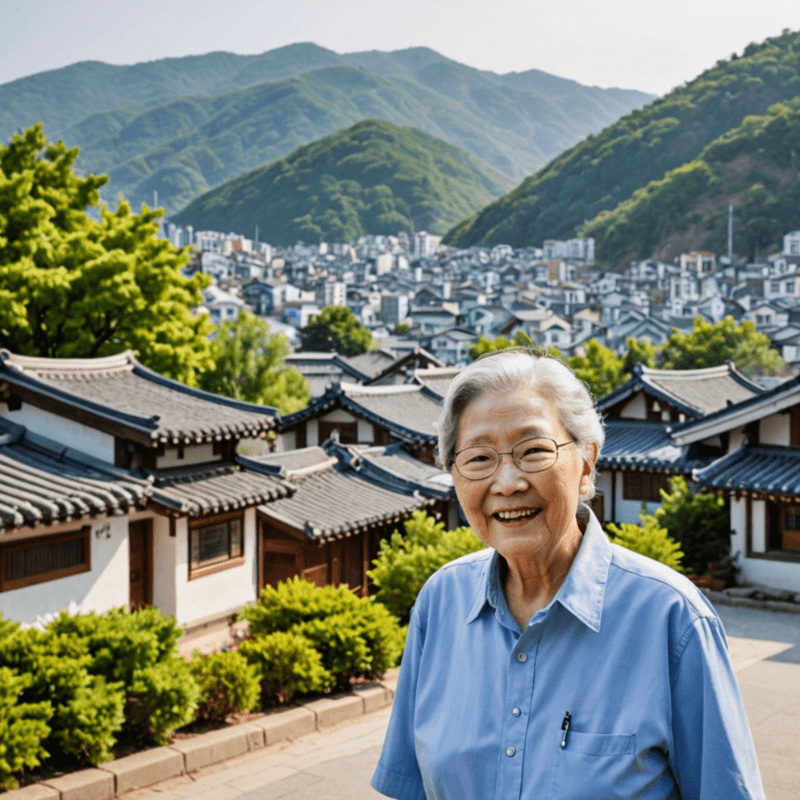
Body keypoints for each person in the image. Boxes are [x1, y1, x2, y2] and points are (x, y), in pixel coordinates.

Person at [371, 348, 765, 800]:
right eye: (478, 458)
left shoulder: (671, 619)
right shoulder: (441, 602)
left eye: (533, 451)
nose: (507, 482)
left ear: (586, 462)